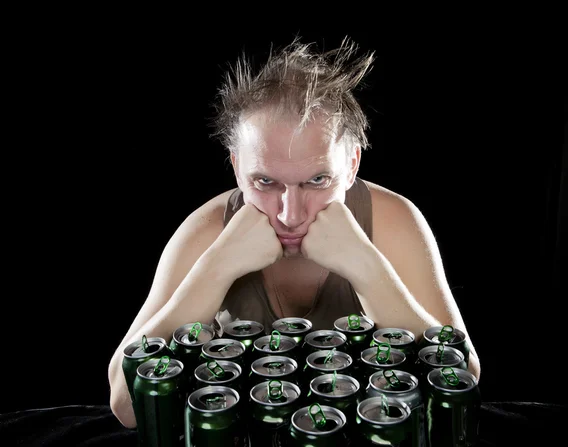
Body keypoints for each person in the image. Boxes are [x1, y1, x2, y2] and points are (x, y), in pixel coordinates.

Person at [108, 35, 481, 428]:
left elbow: (463, 385)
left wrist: (368, 269)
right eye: (265, 182)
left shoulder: (394, 222)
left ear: (352, 164)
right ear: (236, 166)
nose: (289, 214)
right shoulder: (204, 231)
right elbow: (125, 405)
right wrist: (215, 269)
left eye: (318, 180)